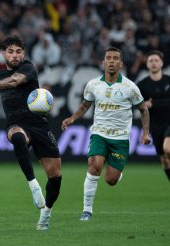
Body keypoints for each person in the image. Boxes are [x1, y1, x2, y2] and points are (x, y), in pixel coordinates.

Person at [0, 35, 62, 231]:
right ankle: (33, 185)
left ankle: (46, 213)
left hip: (39, 124)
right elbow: (7, 81)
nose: (15, 55)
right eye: (10, 52)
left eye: (18, 51)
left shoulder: (28, 68)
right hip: (16, 123)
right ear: (3, 54)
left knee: (55, 177)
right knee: (18, 137)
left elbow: (15, 81)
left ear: (24, 54)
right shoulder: (0, 75)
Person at [61, 47, 151, 221]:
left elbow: (143, 109)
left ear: (121, 63)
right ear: (103, 62)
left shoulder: (130, 87)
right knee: (94, 165)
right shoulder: (93, 84)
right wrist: (72, 118)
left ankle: (116, 173)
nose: (111, 61)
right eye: (108, 58)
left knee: (110, 180)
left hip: (120, 138)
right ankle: (87, 210)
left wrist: (145, 133)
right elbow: (85, 105)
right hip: (99, 133)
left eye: (115, 58)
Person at [137, 50, 170, 181]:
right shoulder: (142, 85)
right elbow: (136, 104)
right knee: (165, 161)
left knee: (168, 149)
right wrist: (142, 105)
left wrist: (153, 104)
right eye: (151, 61)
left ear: (162, 63)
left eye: (156, 60)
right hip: (155, 125)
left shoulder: (169, 81)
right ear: (147, 64)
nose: (154, 63)